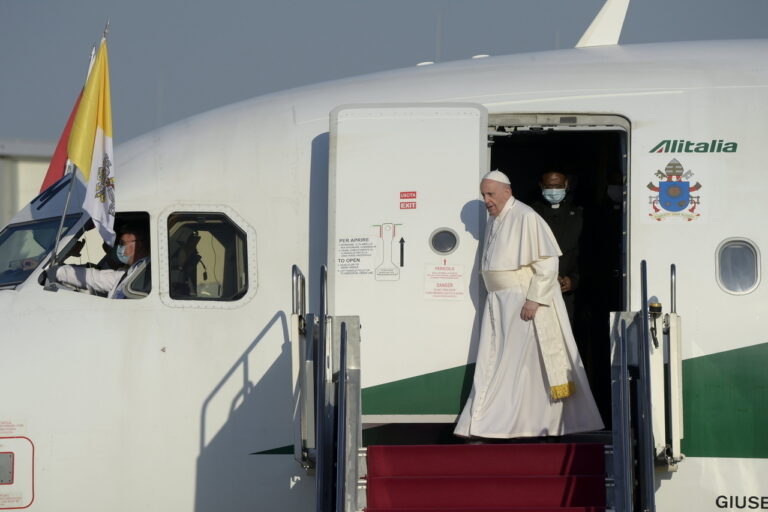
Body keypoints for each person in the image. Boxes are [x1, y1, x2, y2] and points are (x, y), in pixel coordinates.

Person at [454, 170, 603, 439]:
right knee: (500, 362)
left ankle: (517, 422)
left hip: (521, 300)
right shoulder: (497, 218)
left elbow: (547, 262)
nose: (486, 200)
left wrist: (534, 299)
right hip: (500, 302)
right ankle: (498, 420)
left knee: (521, 366)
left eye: (491, 194)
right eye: (484, 195)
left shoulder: (525, 216)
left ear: (507, 192)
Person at [532, 171, 583, 326]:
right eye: (549, 187)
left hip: (566, 292)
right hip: (537, 291)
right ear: (541, 186)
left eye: (558, 186)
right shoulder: (530, 214)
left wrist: (573, 280)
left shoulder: (578, 215)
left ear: (566, 185)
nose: (554, 191)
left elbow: (584, 252)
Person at [47, 225, 149, 299]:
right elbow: (95, 275)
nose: (118, 248)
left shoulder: (145, 271)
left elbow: (95, 278)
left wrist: (56, 272)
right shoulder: (132, 270)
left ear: (138, 245)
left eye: (122, 244)